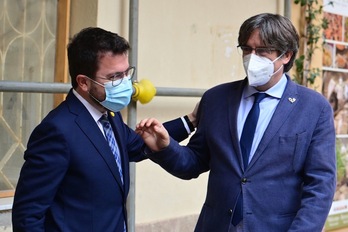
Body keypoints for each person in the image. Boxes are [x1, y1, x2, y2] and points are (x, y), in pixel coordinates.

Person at [136, 13, 336, 232]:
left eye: (262, 51)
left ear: (286, 55)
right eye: (247, 49)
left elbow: (320, 186)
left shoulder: (313, 108)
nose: (252, 57)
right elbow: (194, 163)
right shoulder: (216, 99)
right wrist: (165, 147)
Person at [11, 27, 196, 232]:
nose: (125, 83)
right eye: (115, 77)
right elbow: (28, 215)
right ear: (83, 82)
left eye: (127, 73)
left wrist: (190, 121)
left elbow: (138, 143)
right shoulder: (56, 131)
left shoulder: (109, 115)